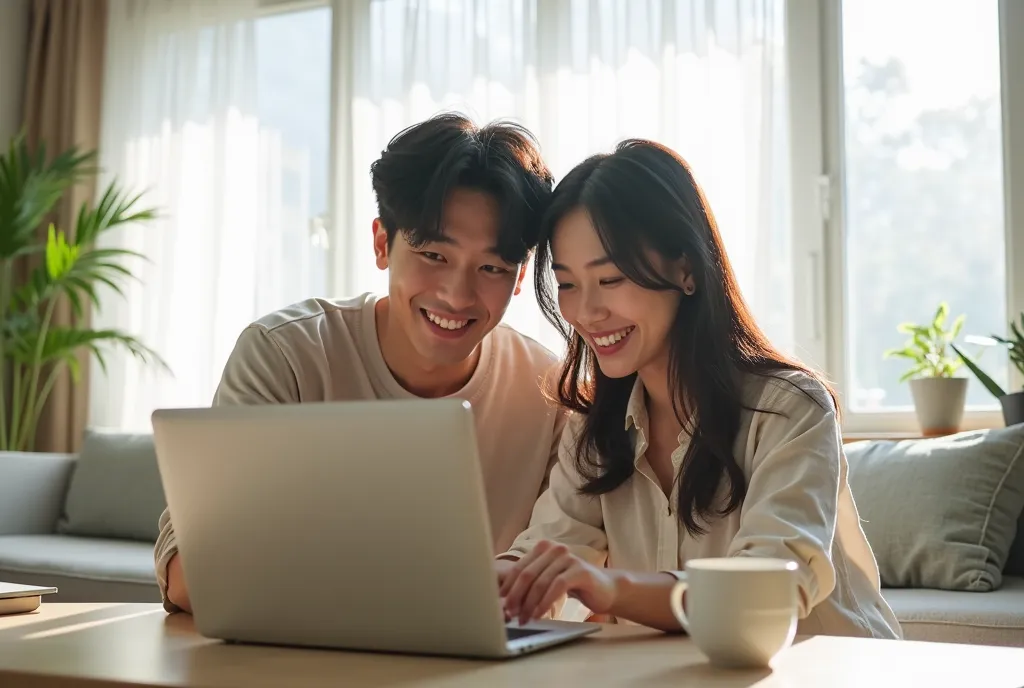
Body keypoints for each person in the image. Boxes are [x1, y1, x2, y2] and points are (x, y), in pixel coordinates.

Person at [155, 113, 565, 614]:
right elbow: (189, 575)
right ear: (380, 243)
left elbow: (554, 573)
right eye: (433, 255)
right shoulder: (285, 356)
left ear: (519, 277)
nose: (458, 295)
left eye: (492, 268)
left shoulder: (549, 390)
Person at [494, 140, 902, 639]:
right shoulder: (594, 430)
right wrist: (488, 582)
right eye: (569, 284)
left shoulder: (790, 410)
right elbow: (544, 555)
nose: (586, 312)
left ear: (685, 269)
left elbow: (770, 591)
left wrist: (613, 588)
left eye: (612, 278)